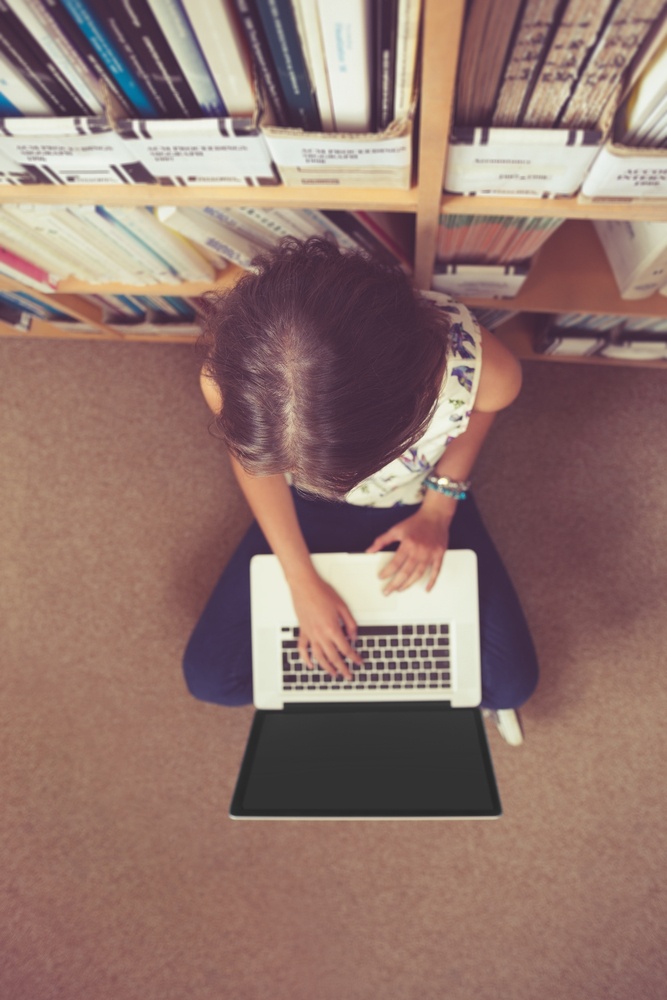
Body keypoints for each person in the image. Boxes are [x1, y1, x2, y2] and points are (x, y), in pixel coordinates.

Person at [183, 237, 538, 744]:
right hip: (300, 511)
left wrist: (439, 508)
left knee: (511, 685)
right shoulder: (228, 378)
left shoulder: (481, 369)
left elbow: (484, 409)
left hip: (419, 496)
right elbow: (254, 466)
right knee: (211, 679)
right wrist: (300, 580)